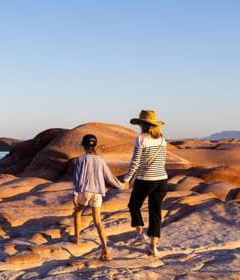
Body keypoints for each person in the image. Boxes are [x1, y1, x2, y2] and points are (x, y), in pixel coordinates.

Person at [70, 133, 124, 260]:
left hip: (84, 191)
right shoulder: (100, 160)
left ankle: (77, 239)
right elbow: (109, 176)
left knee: (77, 212)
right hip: (97, 192)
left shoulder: (80, 160)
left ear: (83, 146)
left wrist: (75, 193)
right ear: (95, 146)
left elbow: (77, 178)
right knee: (98, 221)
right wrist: (121, 186)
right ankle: (105, 249)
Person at [123, 109, 168, 257]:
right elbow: (162, 161)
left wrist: (127, 179)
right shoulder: (162, 139)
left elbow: (135, 162)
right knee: (155, 211)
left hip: (146, 179)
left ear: (143, 124)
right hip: (162, 179)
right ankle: (153, 246)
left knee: (134, 205)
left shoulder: (141, 139)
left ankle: (139, 232)